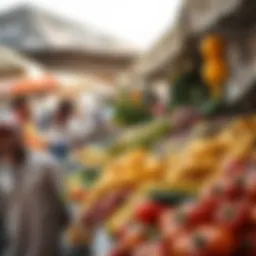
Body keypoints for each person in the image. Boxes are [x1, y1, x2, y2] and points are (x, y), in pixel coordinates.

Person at [0, 117, 68, 256]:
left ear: (19, 135)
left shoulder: (46, 164)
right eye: (1, 136)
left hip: (46, 244)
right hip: (15, 243)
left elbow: (64, 202)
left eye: (8, 134)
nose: (5, 141)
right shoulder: (2, 170)